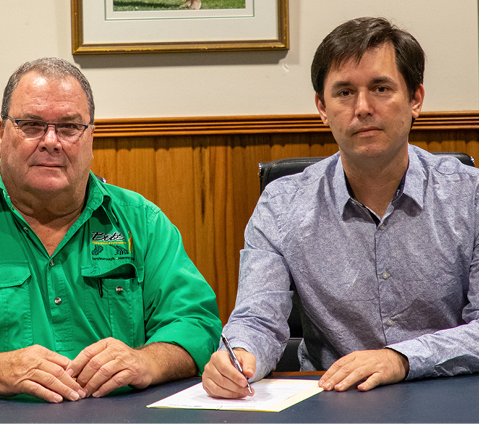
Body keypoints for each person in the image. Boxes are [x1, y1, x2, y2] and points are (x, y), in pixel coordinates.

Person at [0, 57, 222, 403]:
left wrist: (147, 360)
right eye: (31, 124)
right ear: (0, 133)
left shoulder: (142, 223)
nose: (51, 141)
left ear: (91, 137)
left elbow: (197, 323)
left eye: (70, 127)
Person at [202, 17, 479, 399]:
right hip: (330, 400)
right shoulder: (281, 205)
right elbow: (258, 318)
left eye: (381, 88)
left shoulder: (470, 196)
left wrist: (399, 359)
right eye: (345, 92)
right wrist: (239, 358)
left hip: (449, 395)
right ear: (322, 107)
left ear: (416, 99)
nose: (362, 107)